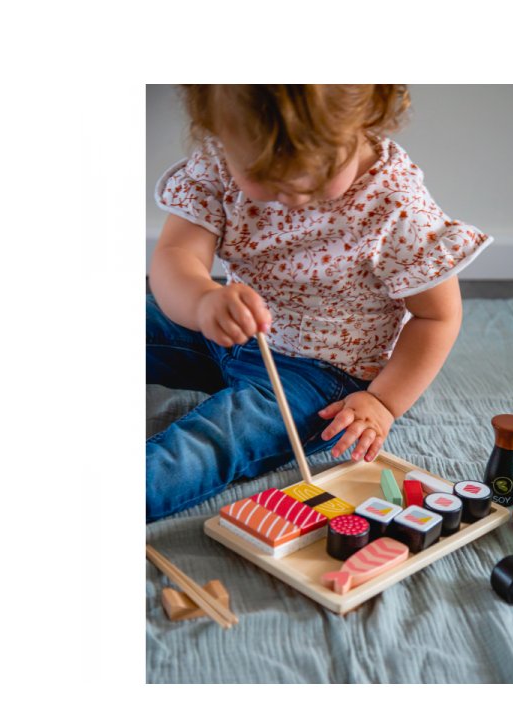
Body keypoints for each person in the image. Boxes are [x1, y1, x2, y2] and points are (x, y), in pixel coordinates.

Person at [147, 85, 491, 522]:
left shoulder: (396, 207)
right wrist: (202, 301)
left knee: (212, 442)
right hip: (224, 324)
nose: (293, 192)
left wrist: (384, 402)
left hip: (318, 375)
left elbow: (437, 316)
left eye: (317, 172)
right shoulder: (219, 162)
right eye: (262, 174)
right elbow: (177, 255)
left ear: (366, 120)